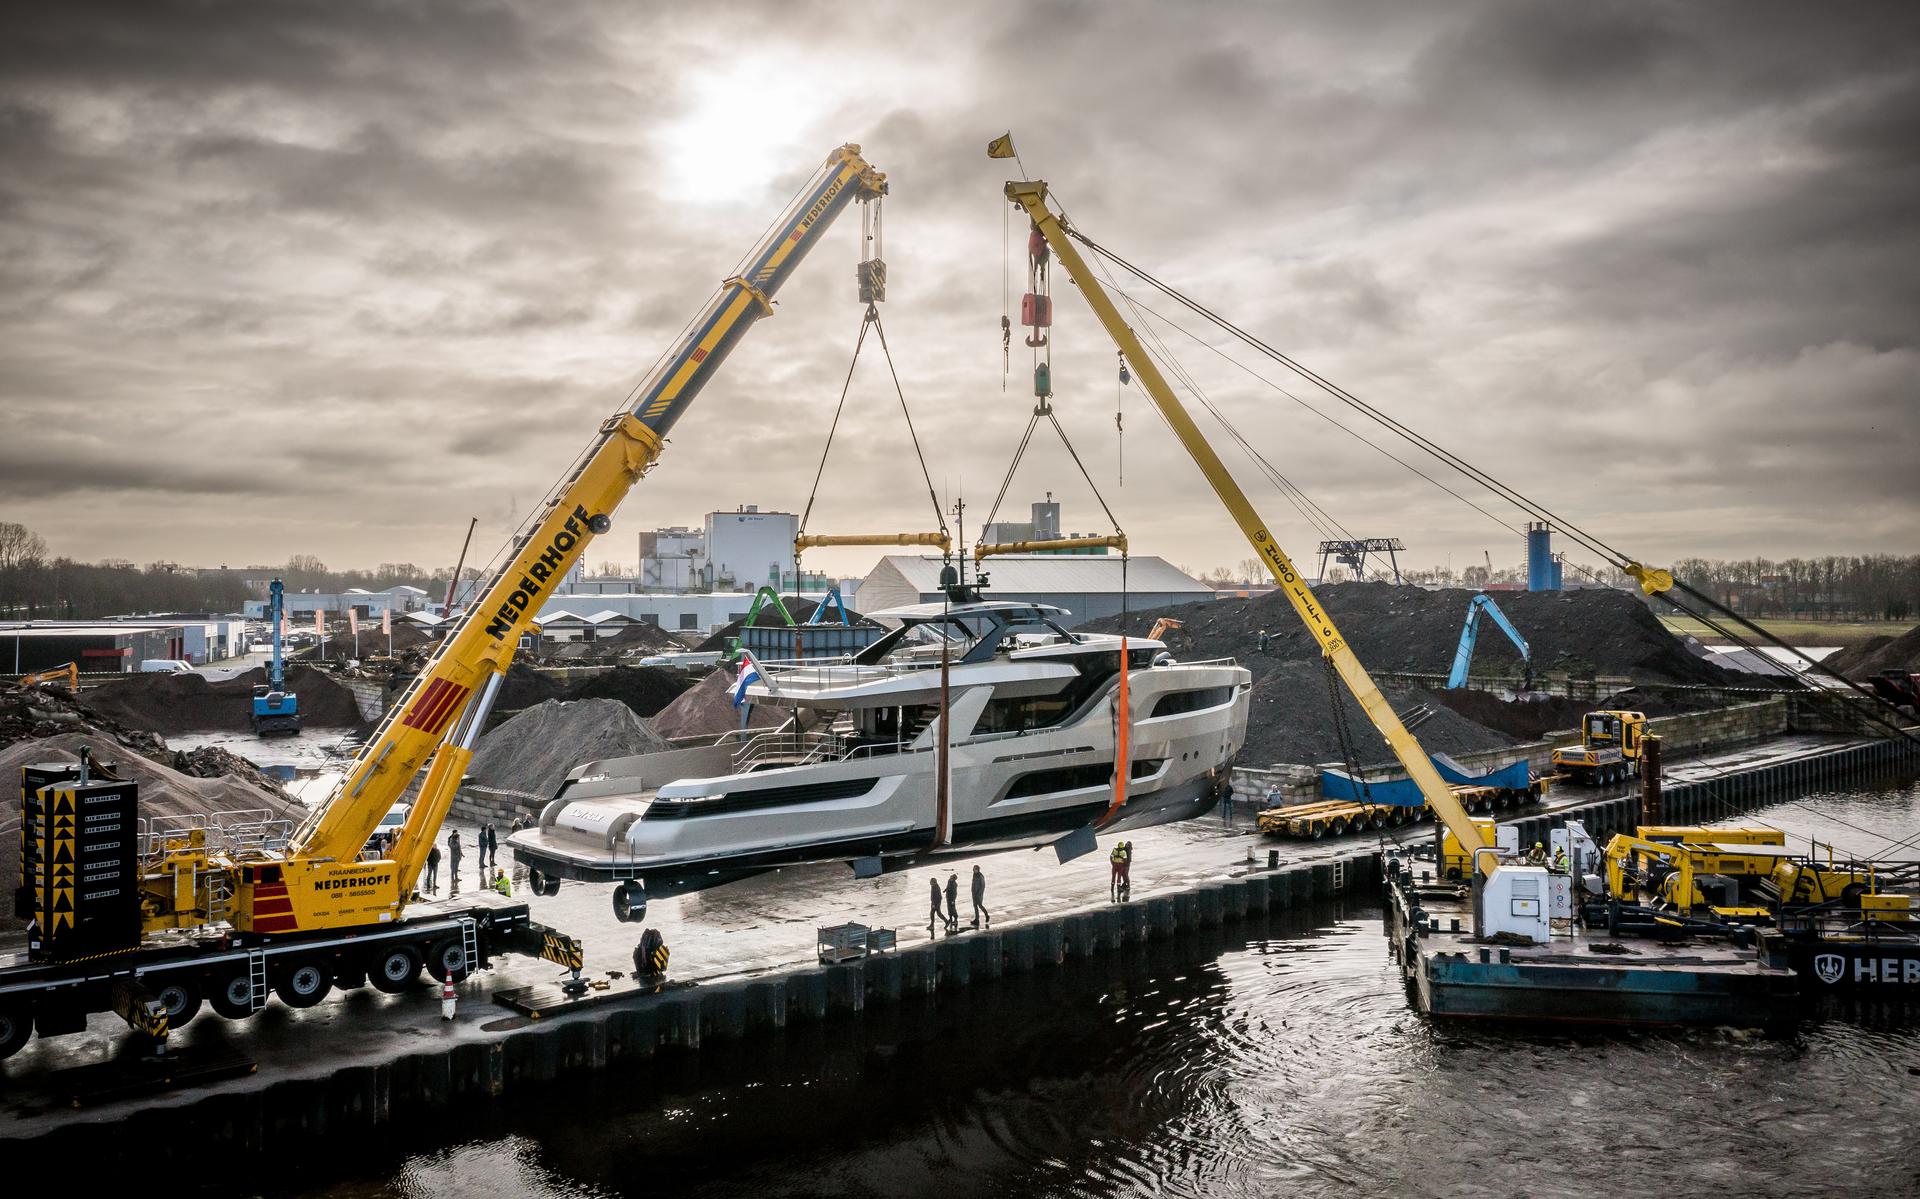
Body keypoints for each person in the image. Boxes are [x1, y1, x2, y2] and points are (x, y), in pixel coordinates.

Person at [970, 865, 989, 929]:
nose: (973, 870)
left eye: (975, 869)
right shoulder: (974, 875)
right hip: (974, 893)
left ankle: (986, 915)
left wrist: (979, 893)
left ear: (978, 869)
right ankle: (977, 920)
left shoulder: (980, 876)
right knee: (975, 906)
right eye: (973, 869)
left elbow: (983, 886)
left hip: (979, 894)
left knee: (980, 905)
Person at [447, 830, 464, 895]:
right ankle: (452, 878)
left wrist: (461, 854)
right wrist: (457, 843)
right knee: (453, 867)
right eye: (456, 833)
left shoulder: (456, 840)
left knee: (456, 868)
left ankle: (456, 878)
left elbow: (459, 848)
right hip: (454, 856)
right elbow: (452, 847)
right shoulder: (452, 840)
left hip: (457, 856)